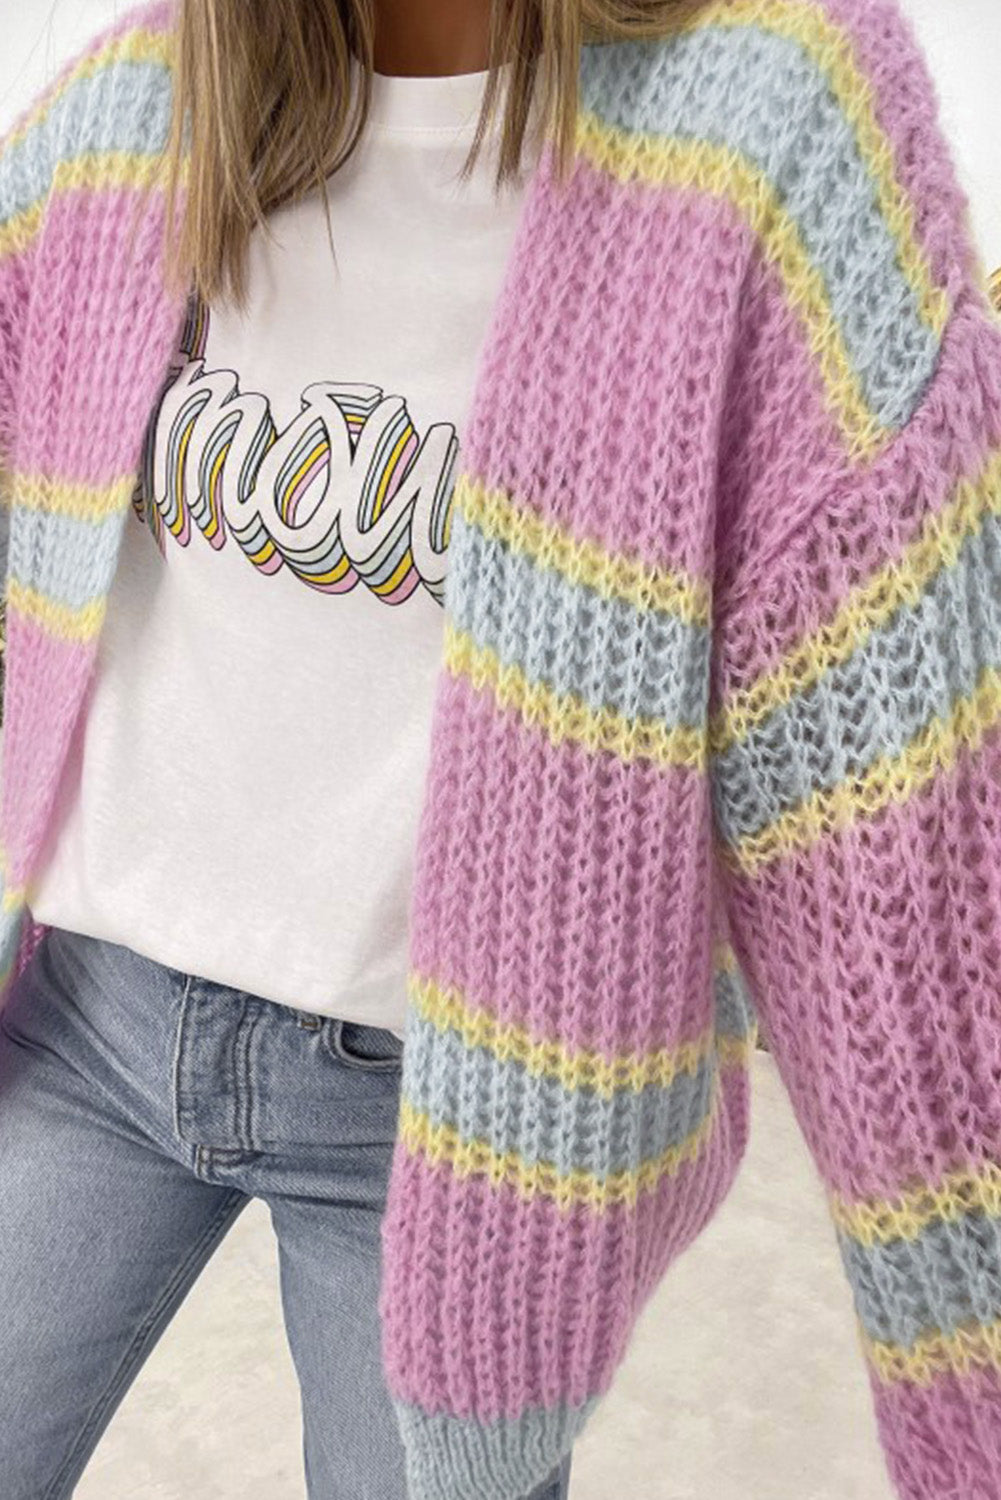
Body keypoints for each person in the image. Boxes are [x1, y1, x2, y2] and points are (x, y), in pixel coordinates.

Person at [0, 1, 1000, 1498]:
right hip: (87, 1019)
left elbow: (903, 843)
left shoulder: (768, 112)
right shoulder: (142, 100)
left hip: (452, 1129)